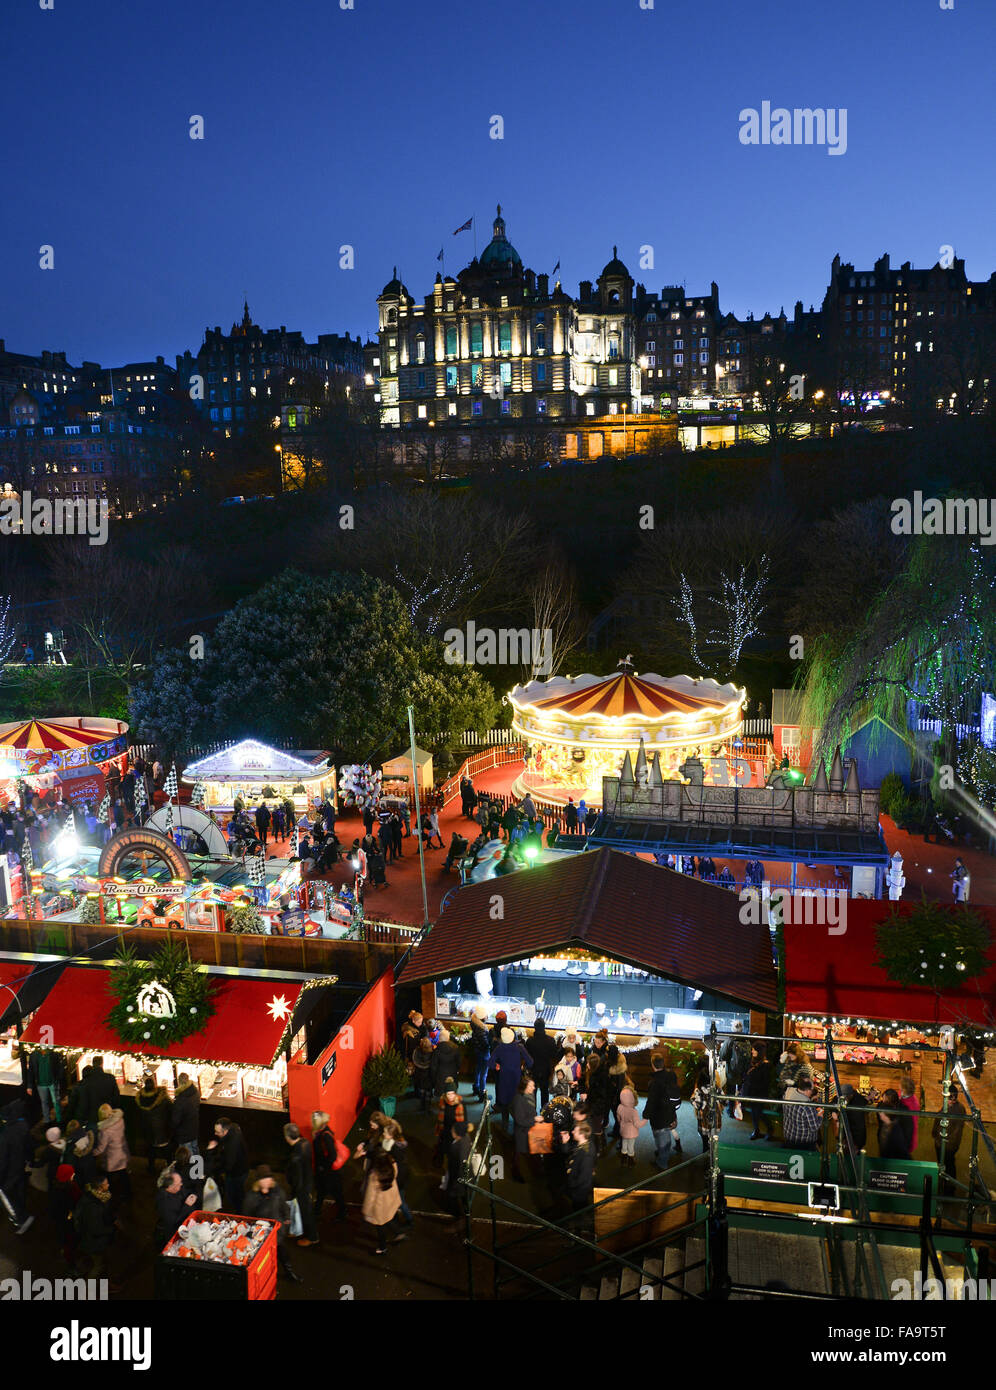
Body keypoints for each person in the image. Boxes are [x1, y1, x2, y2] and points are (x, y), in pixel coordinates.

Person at [244, 1165, 302, 1283]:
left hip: (277, 1233)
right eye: (263, 1179)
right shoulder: (251, 1197)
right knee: (261, 1259)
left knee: (283, 1253)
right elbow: (246, 1216)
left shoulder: (278, 1192)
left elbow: (284, 1207)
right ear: (258, 1181)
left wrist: (286, 1222)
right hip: (260, 1235)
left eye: (268, 1178)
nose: (266, 1181)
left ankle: (289, 1273)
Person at [489, 1027, 533, 1133]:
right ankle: (518, 1131)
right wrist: (523, 1066)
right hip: (517, 1080)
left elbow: (490, 1063)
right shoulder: (520, 1047)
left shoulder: (499, 1048)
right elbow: (530, 1062)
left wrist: (497, 1066)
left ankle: (504, 1129)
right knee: (517, 1105)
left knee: (504, 1106)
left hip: (503, 1079)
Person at [0, 1100, 34, 1234]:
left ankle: (20, 1219)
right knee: (19, 1190)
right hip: (19, 1166)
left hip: (8, 1173)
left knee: (6, 1197)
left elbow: (2, 1160)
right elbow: (29, 1146)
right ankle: (23, 1211)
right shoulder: (23, 1125)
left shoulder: (5, 1136)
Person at [362, 1152, 405, 1254]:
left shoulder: (374, 1176)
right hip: (390, 1200)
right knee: (389, 1219)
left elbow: (370, 1196)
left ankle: (382, 1247)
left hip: (379, 1206)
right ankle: (399, 1233)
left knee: (380, 1226)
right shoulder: (392, 1167)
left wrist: (366, 1210)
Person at [73, 1177, 116, 1280]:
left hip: (88, 1239)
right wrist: (112, 1229)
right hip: (94, 1242)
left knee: (91, 1261)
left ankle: (77, 1271)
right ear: (100, 1188)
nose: (108, 1185)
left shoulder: (93, 1197)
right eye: (106, 1184)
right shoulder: (94, 1207)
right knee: (98, 1266)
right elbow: (96, 1229)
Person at [284, 1122, 318, 1246]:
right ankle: (298, 1231)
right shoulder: (305, 1143)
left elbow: (297, 1177)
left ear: (287, 1137)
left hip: (301, 1188)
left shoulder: (295, 1156)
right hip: (307, 1183)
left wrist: (295, 1192)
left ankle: (312, 1237)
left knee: (306, 1212)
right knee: (301, 1211)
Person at [206, 1116, 249, 1214]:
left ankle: (240, 1213)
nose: (215, 1134)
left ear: (225, 1131)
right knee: (238, 1194)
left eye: (218, 1132)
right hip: (242, 1169)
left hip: (237, 1174)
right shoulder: (233, 1129)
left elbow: (228, 1165)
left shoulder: (231, 1144)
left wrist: (215, 1168)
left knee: (234, 1195)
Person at [311, 1111, 348, 1223]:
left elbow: (332, 1155)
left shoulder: (325, 1136)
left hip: (329, 1172)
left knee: (336, 1193)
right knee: (323, 1191)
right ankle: (317, 1210)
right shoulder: (322, 1131)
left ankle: (342, 1213)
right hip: (325, 1171)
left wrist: (323, 1168)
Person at [644, 1054, 679, 1168]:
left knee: (661, 1137)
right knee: (665, 1136)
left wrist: (645, 1115)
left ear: (653, 1065)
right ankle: (662, 1154)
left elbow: (651, 1101)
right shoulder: (671, 1075)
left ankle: (662, 1163)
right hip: (670, 1113)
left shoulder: (654, 1082)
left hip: (658, 1116)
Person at [94, 1102, 131, 1202]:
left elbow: (101, 1148)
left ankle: (112, 1196)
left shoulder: (104, 1131)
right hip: (122, 1154)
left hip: (112, 1158)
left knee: (110, 1179)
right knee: (123, 1175)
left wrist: (92, 1152)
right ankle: (127, 1194)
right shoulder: (120, 1121)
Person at [562, 1119, 595, 1229]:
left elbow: (583, 1178)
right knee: (579, 1210)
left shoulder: (586, 1154)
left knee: (578, 1212)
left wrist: (571, 1185)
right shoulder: (583, 1144)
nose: (572, 1132)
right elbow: (569, 1154)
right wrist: (565, 1143)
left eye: (574, 1131)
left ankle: (578, 1233)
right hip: (577, 1188)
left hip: (579, 1191)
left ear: (581, 1134)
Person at [135, 1075, 172, 1174]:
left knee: (151, 1150)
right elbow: (171, 1110)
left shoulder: (140, 1099)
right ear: (155, 1085)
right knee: (166, 1151)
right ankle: (170, 1167)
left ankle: (151, 1168)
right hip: (162, 1130)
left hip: (149, 1131)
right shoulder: (163, 1098)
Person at [69, 1055, 120, 1125]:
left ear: (93, 1064)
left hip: (91, 1118)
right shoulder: (110, 1078)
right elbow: (116, 1098)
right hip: (107, 1115)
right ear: (102, 1064)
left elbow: (83, 1101)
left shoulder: (85, 1081)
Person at [154, 1169, 197, 1248]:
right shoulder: (163, 1201)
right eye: (178, 1184)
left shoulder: (177, 1188)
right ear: (170, 1187)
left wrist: (193, 1195)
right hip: (174, 1235)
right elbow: (174, 1222)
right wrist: (187, 1206)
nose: (181, 1184)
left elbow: (188, 1191)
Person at [932, 1097, 966, 1191]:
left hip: (948, 1145)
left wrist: (947, 1142)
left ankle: (949, 1190)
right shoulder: (947, 1106)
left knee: (949, 1166)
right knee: (943, 1165)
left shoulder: (958, 1109)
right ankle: (943, 1186)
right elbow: (938, 1119)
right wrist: (935, 1135)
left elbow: (957, 1130)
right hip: (941, 1142)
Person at [782, 1076, 823, 1152]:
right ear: (807, 1091)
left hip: (789, 1136)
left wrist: (810, 1099)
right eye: (812, 1089)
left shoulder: (788, 1092)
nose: (812, 1091)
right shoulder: (807, 1107)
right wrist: (820, 1114)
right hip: (804, 1142)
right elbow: (815, 1127)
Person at [527, 1018, 561, 1109]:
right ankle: (544, 1111)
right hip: (545, 1069)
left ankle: (532, 1112)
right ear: (544, 1027)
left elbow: (527, 1056)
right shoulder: (550, 1040)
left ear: (534, 1027)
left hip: (533, 1069)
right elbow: (554, 1055)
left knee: (532, 1091)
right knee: (544, 1092)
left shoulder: (530, 1041)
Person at [27, 1045, 66, 1124]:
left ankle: (58, 1120)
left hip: (52, 1082)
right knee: (44, 1102)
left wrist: (57, 1079)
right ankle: (47, 1121)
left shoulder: (53, 1054)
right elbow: (30, 1071)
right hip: (41, 1083)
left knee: (55, 1101)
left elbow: (60, 1067)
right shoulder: (34, 1055)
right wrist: (29, 1086)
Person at [742, 1046, 774, 1141]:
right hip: (750, 1091)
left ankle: (769, 1129)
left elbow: (766, 1081)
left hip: (759, 1093)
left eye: (754, 1049)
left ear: (759, 1051)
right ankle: (757, 1130)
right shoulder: (751, 1061)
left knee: (758, 1112)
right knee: (754, 1112)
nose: (752, 1051)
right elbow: (746, 1074)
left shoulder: (765, 1064)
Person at [720, 1021, 750, 1118]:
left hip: (732, 1072)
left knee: (731, 1091)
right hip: (743, 1071)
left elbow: (723, 1055)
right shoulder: (746, 1040)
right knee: (742, 1091)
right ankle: (742, 1109)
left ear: (732, 1028)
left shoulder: (730, 1040)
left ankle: (731, 1110)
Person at [511, 1076, 538, 1182]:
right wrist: (535, 1119)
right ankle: (515, 1173)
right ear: (525, 1087)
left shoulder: (530, 1095)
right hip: (522, 1133)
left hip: (530, 1130)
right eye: (531, 1085)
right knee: (518, 1155)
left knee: (529, 1153)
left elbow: (532, 1111)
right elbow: (520, 1120)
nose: (534, 1088)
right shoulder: (518, 1099)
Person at [692, 1064, 722, 1153]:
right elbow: (725, 1101)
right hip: (715, 1118)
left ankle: (705, 1150)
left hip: (703, 1119)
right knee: (713, 1136)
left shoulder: (698, 1091)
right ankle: (712, 1151)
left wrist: (693, 1100)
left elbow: (697, 1105)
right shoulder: (717, 1089)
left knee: (704, 1137)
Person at [434, 1080, 465, 1167]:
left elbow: (461, 1121)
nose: (451, 1096)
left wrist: (459, 1134)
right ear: (445, 1094)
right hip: (444, 1129)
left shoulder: (459, 1104)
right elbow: (440, 1117)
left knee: (452, 1151)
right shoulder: (442, 1101)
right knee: (442, 1146)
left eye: (452, 1093)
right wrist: (439, 1129)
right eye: (448, 1094)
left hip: (453, 1132)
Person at [170, 1072, 200, 1156]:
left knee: (187, 1153)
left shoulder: (180, 1100)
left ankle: (191, 1168)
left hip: (184, 1133)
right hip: (194, 1127)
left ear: (179, 1082)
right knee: (195, 1148)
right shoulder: (195, 1091)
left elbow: (175, 1120)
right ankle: (199, 1166)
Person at [878, 1089, 913, 1159]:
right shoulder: (882, 1108)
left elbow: (908, 1131)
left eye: (885, 1100)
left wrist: (906, 1146)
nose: (883, 1101)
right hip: (887, 1150)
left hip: (899, 1151)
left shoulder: (903, 1113)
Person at [616, 1086, 647, 1166]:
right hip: (632, 1133)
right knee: (631, 1145)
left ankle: (623, 1159)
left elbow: (618, 1118)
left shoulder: (619, 1107)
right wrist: (645, 1120)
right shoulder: (633, 1111)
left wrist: (621, 1123)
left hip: (623, 1130)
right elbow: (637, 1124)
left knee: (624, 1143)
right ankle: (630, 1160)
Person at [430, 1027, 462, 1097]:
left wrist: (433, 1078)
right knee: (451, 1093)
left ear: (439, 1039)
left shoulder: (436, 1050)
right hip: (453, 1074)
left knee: (440, 1095)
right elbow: (459, 1062)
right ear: (448, 1038)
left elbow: (433, 1066)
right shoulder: (456, 1048)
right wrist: (458, 1070)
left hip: (440, 1075)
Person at [836, 1083, 868, 1153]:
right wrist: (833, 1111)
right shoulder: (846, 1097)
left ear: (851, 1095)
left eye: (845, 1096)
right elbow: (835, 1099)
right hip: (845, 1136)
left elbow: (859, 1128)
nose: (844, 1099)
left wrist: (857, 1145)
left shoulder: (858, 1105)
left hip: (854, 1140)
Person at [469, 1012, 491, 1102]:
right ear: (482, 1018)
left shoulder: (474, 1024)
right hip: (484, 1052)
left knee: (478, 1070)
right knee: (484, 1074)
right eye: (486, 1015)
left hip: (477, 1051)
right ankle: (482, 1094)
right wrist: (490, 1044)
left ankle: (476, 1088)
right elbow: (485, 1043)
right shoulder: (481, 1028)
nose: (487, 1016)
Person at [899, 1076, 921, 1155]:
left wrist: (908, 1144)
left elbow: (912, 1126)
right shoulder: (902, 1095)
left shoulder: (913, 1105)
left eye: (901, 1085)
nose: (899, 1086)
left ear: (904, 1089)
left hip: (906, 1139)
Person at [413, 1037, 434, 1111]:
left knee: (422, 1091)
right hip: (429, 1074)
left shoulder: (416, 1050)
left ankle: (422, 1106)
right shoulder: (433, 1052)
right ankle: (428, 1107)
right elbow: (433, 1063)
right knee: (428, 1091)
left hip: (420, 1074)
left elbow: (415, 1061)